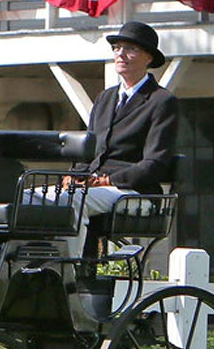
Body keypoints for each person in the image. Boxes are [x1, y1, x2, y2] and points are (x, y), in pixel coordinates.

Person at [47, 20, 179, 257]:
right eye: (117, 47)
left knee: (73, 201)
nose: (121, 54)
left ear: (148, 58)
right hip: (95, 189)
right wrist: (75, 176)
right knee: (36, 196)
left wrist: (108, 179)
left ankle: (73, 272)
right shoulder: (105, 99)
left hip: (134, 192)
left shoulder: (161, 101)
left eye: (131, 49)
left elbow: (154, 164)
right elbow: (90, 152)